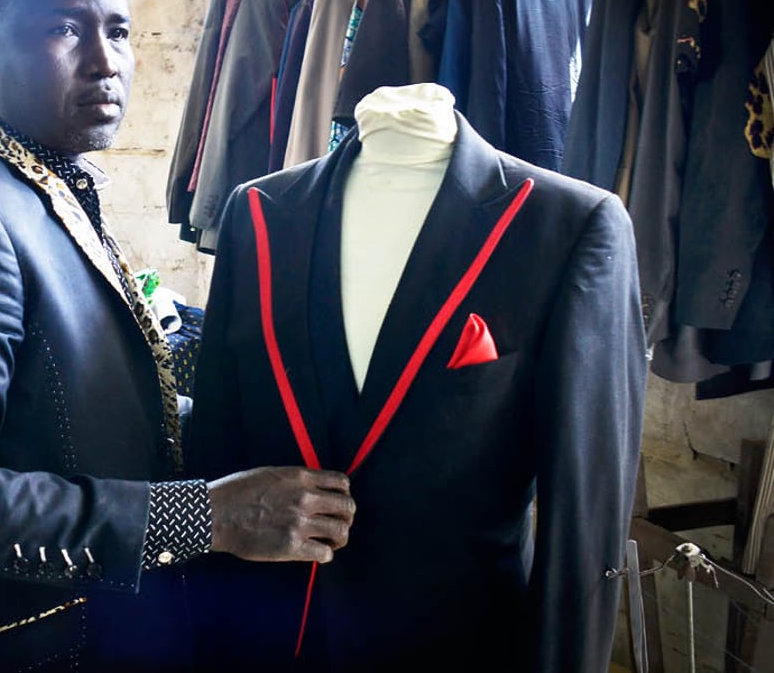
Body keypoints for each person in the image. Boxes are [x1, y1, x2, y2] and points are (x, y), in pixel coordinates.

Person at [0, 0, 357, 672]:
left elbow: (82, 419)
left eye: (116, 31)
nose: (104, 59)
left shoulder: (52, 193)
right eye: (63, 28)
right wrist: (207, 515)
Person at [186, 83, 646, 672]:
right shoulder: (257, 214)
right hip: (269, 633)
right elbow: (217, 450)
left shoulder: (568, 225)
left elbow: (587, 509)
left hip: (459, 639)